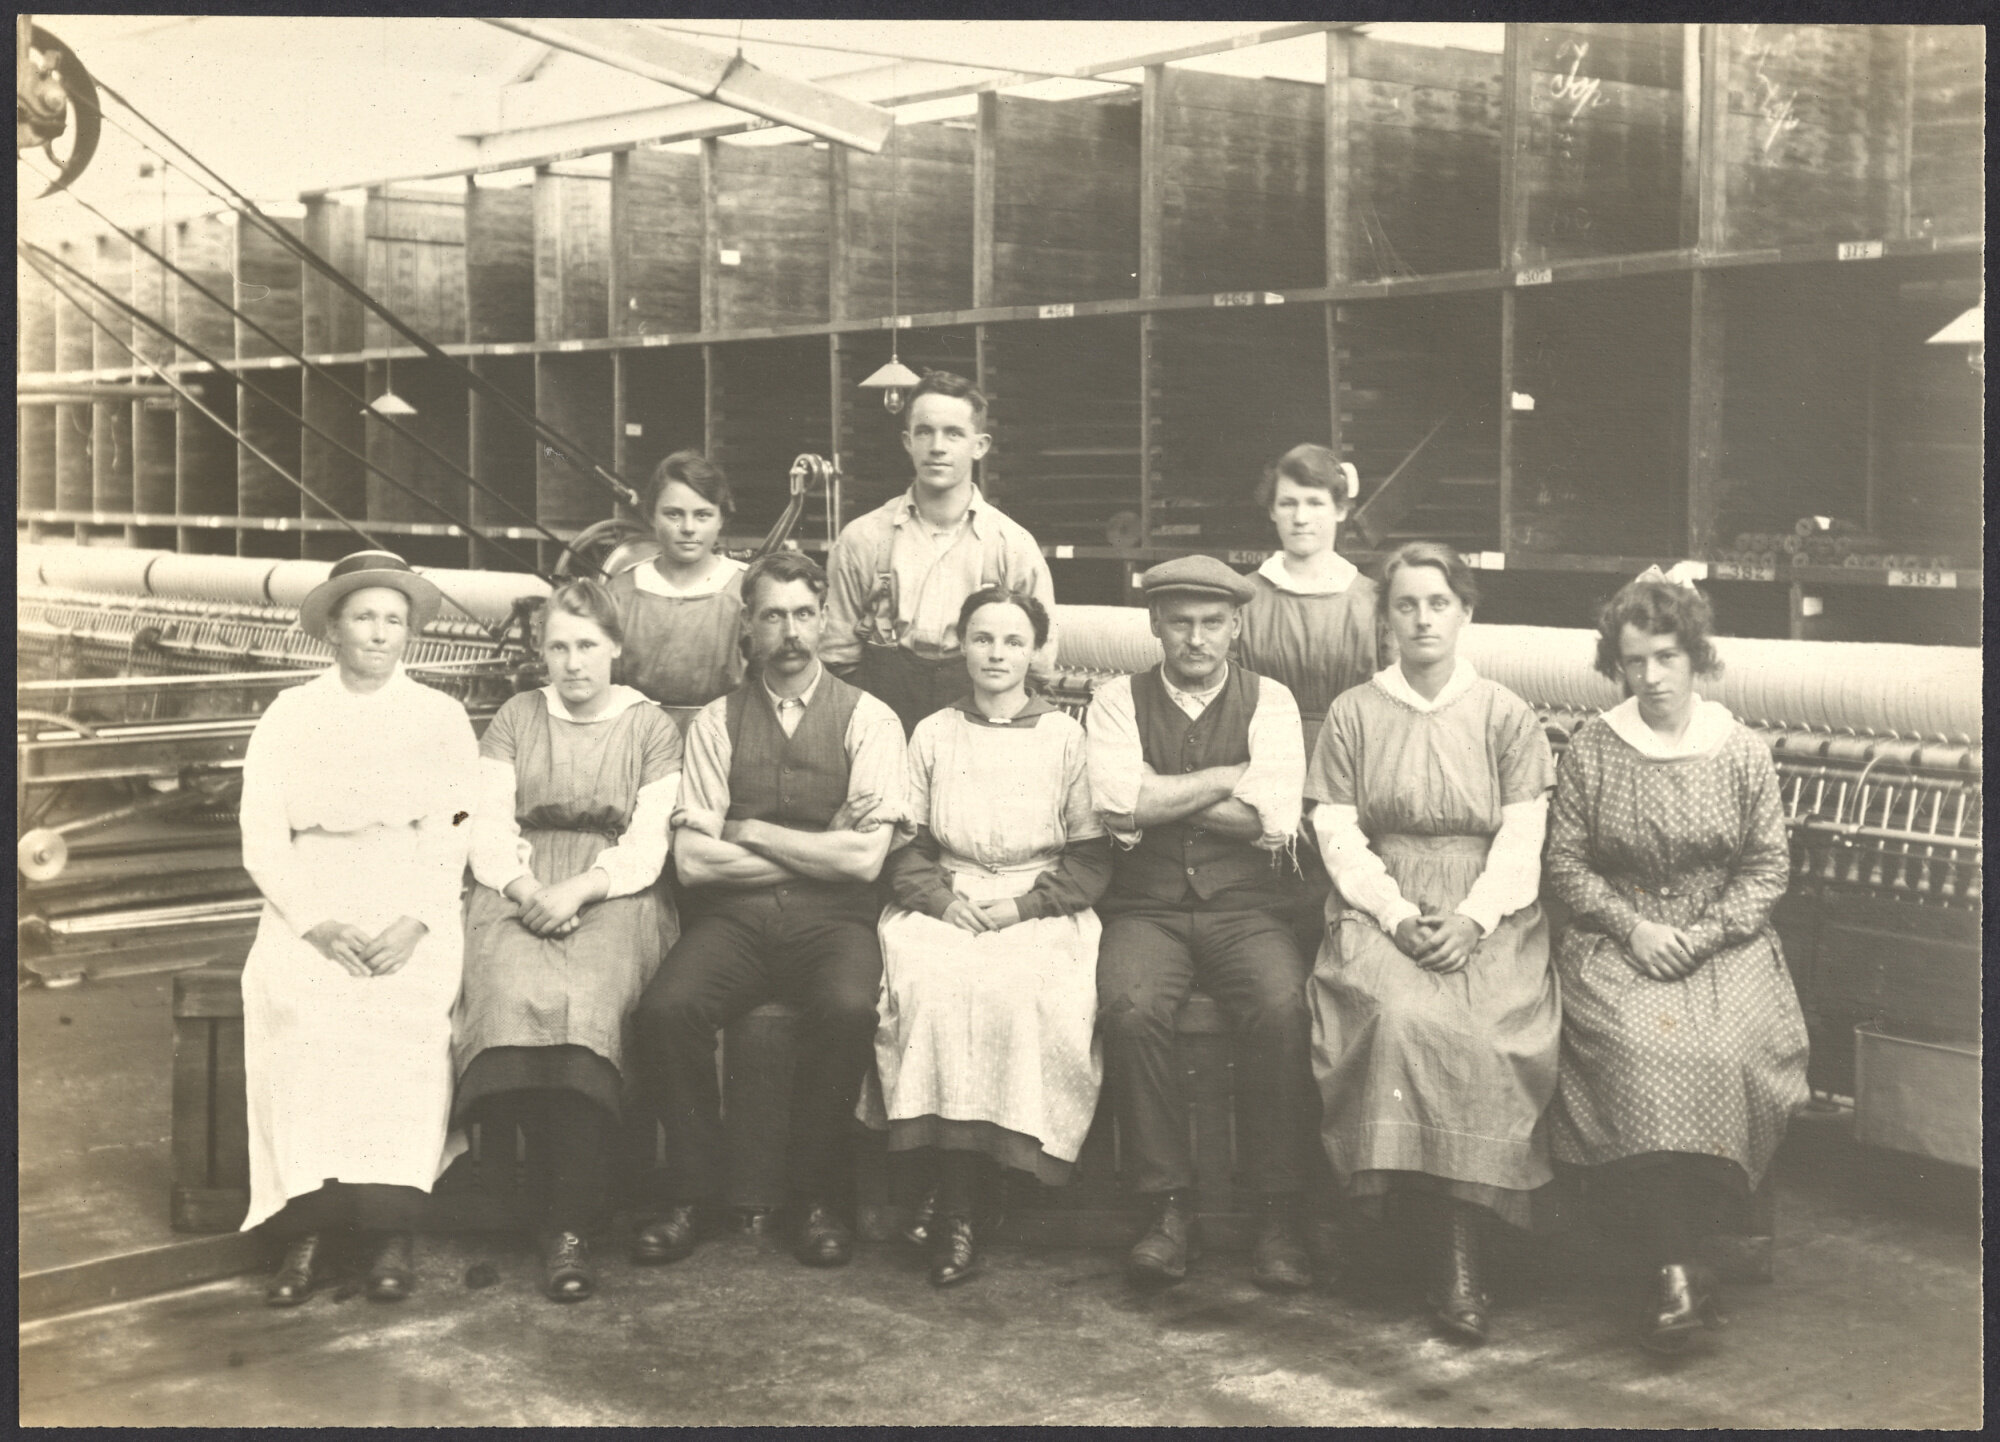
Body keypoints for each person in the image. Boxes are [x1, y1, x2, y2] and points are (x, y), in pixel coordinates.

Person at [1544, 568, 1809, 1354]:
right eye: (1634, 661)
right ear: (1615, 666)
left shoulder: (1739, 751)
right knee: (1639, 1050)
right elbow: (1566, 865)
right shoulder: (1596, 746)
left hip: (1722, 945)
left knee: (1723, 1049)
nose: (1652, 676)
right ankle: (1680, 1267)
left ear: (1696, 657)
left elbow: (1766, 867)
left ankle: (1678, 1265)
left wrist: (1704, 932)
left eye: (1666, 656)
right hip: (1619, 944)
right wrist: (1632, 929)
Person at [1307, 540, 1558, 1344]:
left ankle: (1463, 1250)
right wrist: (1393, 913)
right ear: (1384, 618)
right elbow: (1337, 832)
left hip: (1489, 905)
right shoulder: (1354, 712)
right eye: (1406, 604)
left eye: (1438, 603)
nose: (1422, 618)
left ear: (1466, 613)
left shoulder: (1505, 714)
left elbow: (1524, 839)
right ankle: (1409, 1241)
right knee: (1396, 1019)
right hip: (1385, 901)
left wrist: (1476, 919)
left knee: (1485, 1033)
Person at [631, 549, 907, 1269]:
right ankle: (694, 1193)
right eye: (774, 615)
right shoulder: (717, 722)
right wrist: (821, 841)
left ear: (825, 619)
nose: (791, 630)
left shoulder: (870, 718)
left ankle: (815, 1199)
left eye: (804, 614)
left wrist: (747, 829)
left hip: (836, 922)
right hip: (736, 922)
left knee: (849, 1009)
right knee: (666, 1011)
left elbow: (865, 861)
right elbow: (693, 863)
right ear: (748, 626)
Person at [237, 550, 478, 1306]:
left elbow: (452, 830)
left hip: (411, 894)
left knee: (402, 1019)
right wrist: (315, 925)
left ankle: (388, 1231)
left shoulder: (438, 715)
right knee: (302, 1013)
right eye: (365, 617)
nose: (380, 633)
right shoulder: (291, 712)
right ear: (334, 628)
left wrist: (413, 923)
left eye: (394, 620)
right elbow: (261, 835)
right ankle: (306, 1230)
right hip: (310, 898)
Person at [861, 587, 1111, 1286]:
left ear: (1035, 652)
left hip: (1038, 904)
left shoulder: (1066, 736)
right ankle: (955, 1196)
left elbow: (1092, 857)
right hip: (951, 897)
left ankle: (971, 1199)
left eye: (1011, 641)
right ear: (962, 645)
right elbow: (903, 845)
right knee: (933, 988)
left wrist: (1029, 905)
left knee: (1017, 992)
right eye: (981, 639)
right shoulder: (933, 732)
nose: (996, 654)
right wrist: (940, 901)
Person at [1085, 554, 1316, 1293]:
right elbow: (1118, 808)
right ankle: (1167, 1207)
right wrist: (1225, 777)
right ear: (1154, 625)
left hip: (1246, 908)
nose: (1195, 638)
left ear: (1236, 626)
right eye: (1179, 623)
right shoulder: (1118, 699)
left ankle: (1276, 1211)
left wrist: (1162, 792)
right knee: (1128, 1008)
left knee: (1282, 1007)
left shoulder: (1271, 700)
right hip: (1146, 907)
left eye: (1211, 623)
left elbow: (1272, 823)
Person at [457, 579, 683, 1302]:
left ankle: (566, 1222)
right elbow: (488, 825)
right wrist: (525, 891)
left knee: (589, 1000)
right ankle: (554, 1207)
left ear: (615, 646)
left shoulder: (651, 728)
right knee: (508, 990)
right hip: (518, 882)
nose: (573, 662)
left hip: (614, 888)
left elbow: (649, 842)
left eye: (587, 645)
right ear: (541, 651)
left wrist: (581, 888)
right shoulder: (517, 717)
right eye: (558, 646)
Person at [822, 370, 1057, 735]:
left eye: (954, 433)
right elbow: (838, 657)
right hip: (883, 715)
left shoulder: (1012, 546)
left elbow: (1039, 665)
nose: (937, 446)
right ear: (907, 440)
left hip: (980, 716)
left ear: (979, 445)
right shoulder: (862, 539)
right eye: (924, 431)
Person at [1233, 444, 1387, 755]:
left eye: (1315, 503)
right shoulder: (1242, 597)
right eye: (1288, 503)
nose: (1301, 517)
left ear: (1341, 510)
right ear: (1273, 511)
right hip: (1260, 759)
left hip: (1353, 760)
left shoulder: (1374, 603)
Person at [608, 450, 747, 722]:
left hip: (723, 739)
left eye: (703, 515)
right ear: (651, 516)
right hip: (636, 737)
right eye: (673, 514)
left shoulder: (744, 590)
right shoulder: (622, 592)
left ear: (721, 519)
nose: (688, 528)